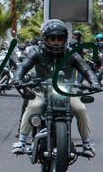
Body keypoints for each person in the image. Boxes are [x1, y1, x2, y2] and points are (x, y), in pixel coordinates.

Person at [13, 19, 97, 157]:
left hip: (67, 90)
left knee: (80, 108)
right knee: (34, 106)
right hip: (42, 89)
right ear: (45, 39)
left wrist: (94, 82)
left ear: (65, 40)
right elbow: (23, 67)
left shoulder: (71, 53)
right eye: (52, 39)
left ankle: (87, 143)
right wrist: (17, 78)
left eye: (59, 39)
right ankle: (21, 141)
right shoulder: (36, 52)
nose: (56, 42)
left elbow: (86, 69)